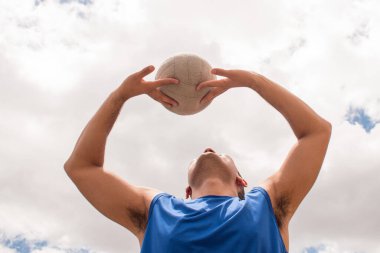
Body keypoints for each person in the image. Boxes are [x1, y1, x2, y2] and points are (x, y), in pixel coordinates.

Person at [64, 65, 332, 253]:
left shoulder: (268, 203)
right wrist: (119, 96)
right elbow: (80, 168)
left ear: (241, 181)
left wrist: (254, 81)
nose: (208, 148)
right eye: (205, 152)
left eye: (218, 153)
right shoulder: (155, 211)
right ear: (187, 192)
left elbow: (317, 132)